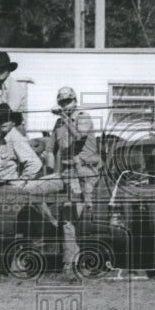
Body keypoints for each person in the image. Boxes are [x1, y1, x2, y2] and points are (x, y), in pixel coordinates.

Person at [51, 86, 102, 214]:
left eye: (68, 102)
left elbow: (79, 137)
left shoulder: (82, 117)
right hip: (68, 171)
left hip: (86, 171)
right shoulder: (59, 123)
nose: (65, 105)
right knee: (70, 213)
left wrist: (64, 118)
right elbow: (50, 149)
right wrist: (54, 172)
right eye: (62, 103)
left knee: (84, 211)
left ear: (75, 101)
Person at [0, 51, 27, 131]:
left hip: (15, 129)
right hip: (0, 128)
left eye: (2, 68)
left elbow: (10, 114)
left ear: (8, 69)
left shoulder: (14, 87)